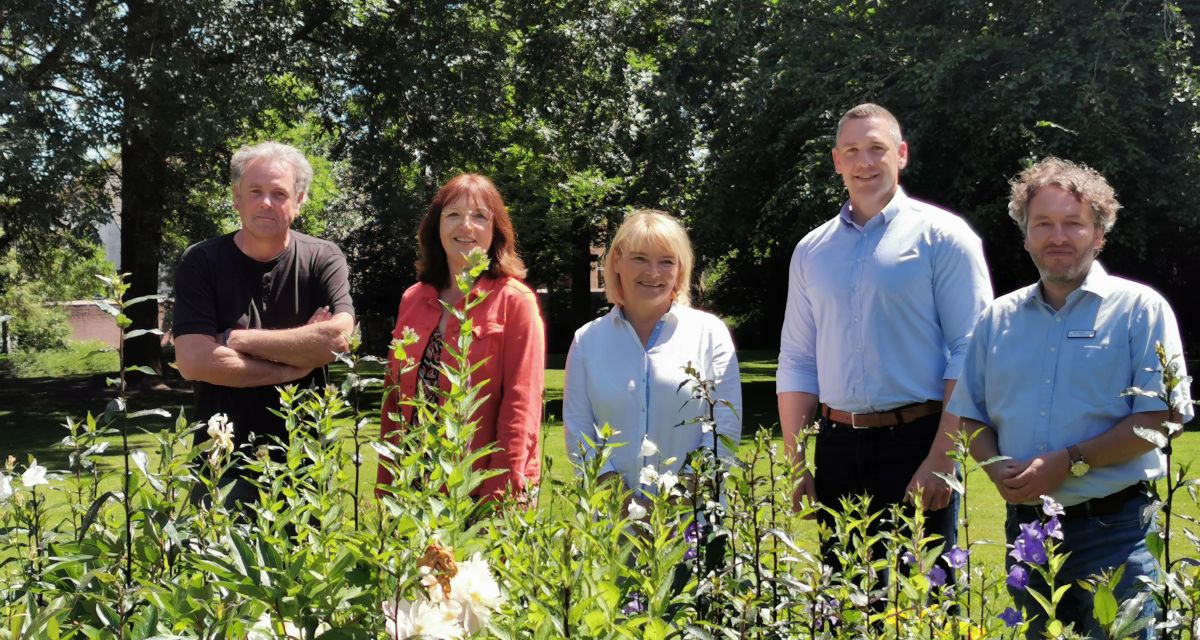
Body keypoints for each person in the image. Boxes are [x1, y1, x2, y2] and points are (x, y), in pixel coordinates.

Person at [949, 157, 1193, 638]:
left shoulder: (1140, 309)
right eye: (1043, 224)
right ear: (1025, 235)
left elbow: (1163, 416)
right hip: (1027, 535)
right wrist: (994, 466)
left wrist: (1072, 461)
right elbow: (968, 414)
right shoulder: (996, 319)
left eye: (1073, 224)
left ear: (1099, 234)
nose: (1057, 236)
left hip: (1116, 532)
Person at [777, 103, 993, 572]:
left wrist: (942, 459)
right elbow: (797, 360)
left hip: (917, 444)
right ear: (837, 161)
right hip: (834, 449)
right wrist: (797, 465)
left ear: (901, 154)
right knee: (844, 602)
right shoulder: (811, 251)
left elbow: (971, 354)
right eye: (852, 150)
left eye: (877, 148)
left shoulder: (944, 236)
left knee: (922, 604)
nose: (864, 161)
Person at [174, 141, 356, 503]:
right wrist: (295, 364)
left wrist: (239, 341)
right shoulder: (201, 262)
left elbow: (337, 339)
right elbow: (193, 361)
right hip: (221, 460)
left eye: (279, 193)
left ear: (299, 201)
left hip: (305, 459)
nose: (266, 202)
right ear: (236, 197)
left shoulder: (323, 258)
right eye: (255, 191)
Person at [378, 173, 544, 503]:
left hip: (483, 486)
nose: (465, 226)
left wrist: (500, 492)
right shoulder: (413, 299)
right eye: (453, 215)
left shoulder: (515, 302)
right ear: (436, 227)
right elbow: (393, 397)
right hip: (414, 487)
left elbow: (521, 406)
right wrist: (387, 483)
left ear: (496, 230)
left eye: (479, 216)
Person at [563, 210, 742, 506]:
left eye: (666, 261)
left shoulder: (710, 334)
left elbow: (724, 429)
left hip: (691, 524)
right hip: (611, 532)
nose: (653, 273)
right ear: (617, 261)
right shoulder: (587, 341)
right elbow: (578, 431)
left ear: (680, 269)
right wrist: (623, 506)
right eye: (640, 259)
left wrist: (675, 506)